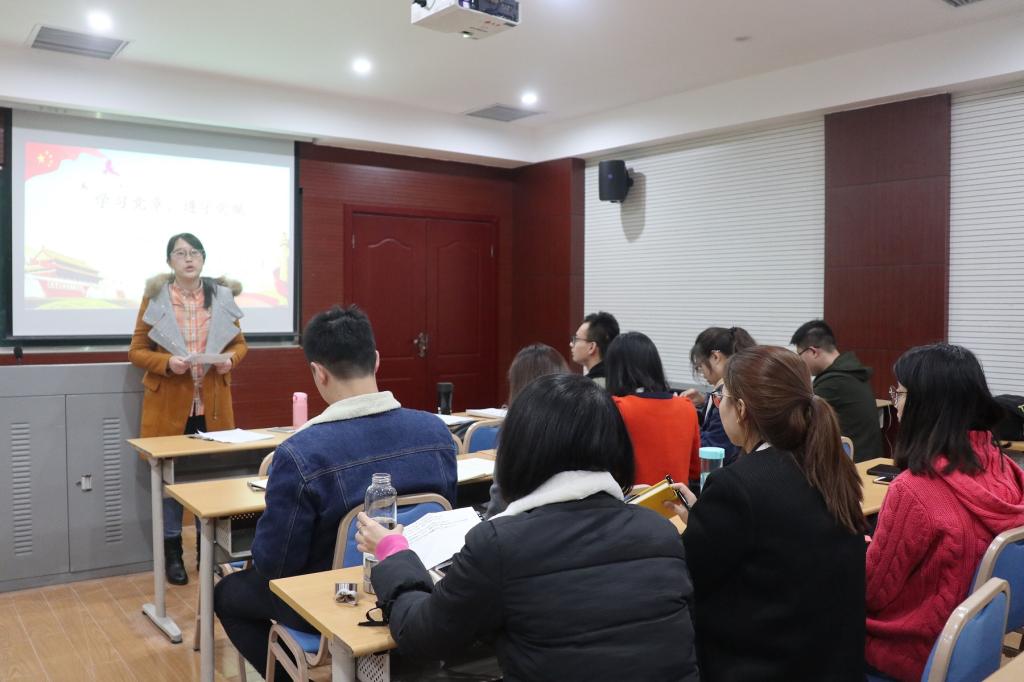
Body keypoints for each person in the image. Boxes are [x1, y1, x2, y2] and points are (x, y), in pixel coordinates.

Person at [357, 374, 700, 682]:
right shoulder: (661, 531)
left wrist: (393, 552)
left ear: (520, 450)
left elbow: (422, 637)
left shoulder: (500, 545)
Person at [213, 305, 458, 678]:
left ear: (319, 372)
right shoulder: (437, 433)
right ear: (376, 360)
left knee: (228, 593)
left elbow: (275, 566)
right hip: (415, 592)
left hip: (330, 606)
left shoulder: (300, 452)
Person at [669, 345, 867, 681]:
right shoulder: (829, 467)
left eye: (721, 397)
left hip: (760, 663)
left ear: (741, 409)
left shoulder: (736, 486)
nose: (718, 405)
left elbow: (689, 577)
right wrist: (706, 518)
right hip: (832, 661)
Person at [865, 343, 1024, 681]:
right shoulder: (1005, 468)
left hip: (908, 651)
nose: (896, 404)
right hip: (975, 648)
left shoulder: (913, 489)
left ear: (928, 405)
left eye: (900, 394)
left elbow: (872, 593)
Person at [128, 233, 247, 586]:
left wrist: (230, 360)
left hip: (212, 407)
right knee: (171, 483)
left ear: (203, 258)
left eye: (194, 252)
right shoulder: (155, 297)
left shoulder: (221, 296)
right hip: (169, 406)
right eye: (180, 253)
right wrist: (166, 362)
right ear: (170, 261)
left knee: (210, 483)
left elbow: (240, 345)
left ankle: (208, 555)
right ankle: (173, 554)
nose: (189, 258)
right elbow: (136, 351)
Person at [484, 343, 570, 517]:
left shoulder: (516, 435)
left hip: (521, 527)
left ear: (517, 386)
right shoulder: (582, 426)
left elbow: (500, 507)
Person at [606, 332, 700, 486]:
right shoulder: (687, 407)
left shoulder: (616, 407)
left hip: (630, 500)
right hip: (678, 500)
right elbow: (695, 470)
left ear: (615, 370)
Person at [791, 319, 884, 461]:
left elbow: (799, 420)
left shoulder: (833, 382)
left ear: (813, 352)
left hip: (852, 464)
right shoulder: (851, 371)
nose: (799, 362)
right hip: (867, 458)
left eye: (799, 355)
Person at [684, 326, 755, 467]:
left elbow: (710, 450)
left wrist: (684, 419)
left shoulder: (726, 396)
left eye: (700, 366)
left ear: (716, 357)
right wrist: (704, 402)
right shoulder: (742, 387)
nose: (702, 373)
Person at [569, 311, 619, 387]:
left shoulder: (587, 388)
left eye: (576, 339)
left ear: (592, 347)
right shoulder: (620, 381)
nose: (571, 344)